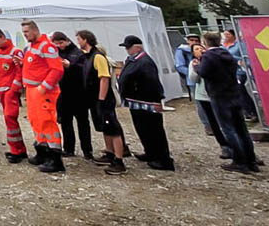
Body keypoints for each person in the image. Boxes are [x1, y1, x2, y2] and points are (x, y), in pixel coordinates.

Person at [199, 31, 261, 173]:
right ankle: (251, 159)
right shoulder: (227, 54)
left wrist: (197, 66)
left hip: (219, 95)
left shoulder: (208, 56)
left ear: (206, 42)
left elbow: (203, 72)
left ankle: (239, 161)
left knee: (228, 129)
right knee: (241, 129)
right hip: (233, 93)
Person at [118, 35, 175, 171]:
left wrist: (157, 100)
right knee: (142, 128)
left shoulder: (144, 61)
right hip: (135, 101)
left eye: (128, 47)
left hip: (147, 101)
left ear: (137, 47)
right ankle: (150, 152)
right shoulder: (133, 60)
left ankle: (163, 159)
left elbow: (152, 82)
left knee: (154, 130)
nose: (127, 50)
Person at [76, 31, 128, 174]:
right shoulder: (88, 56)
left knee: (113, 128)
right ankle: (109, 153)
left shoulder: (98, 56)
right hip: (94, 99)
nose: (78, 42)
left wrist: (101, 98)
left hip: (103, 99)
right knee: (104, 127)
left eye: (79, 39)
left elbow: (104, 78)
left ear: (86, 40)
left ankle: (119, 160)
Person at [21, 20, 65, 172]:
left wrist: (43, 87)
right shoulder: (33, 46)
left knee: (47, 122)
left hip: (43, 91)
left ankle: (55, 159)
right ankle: (42, 151)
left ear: (34, 30)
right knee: (36, 121)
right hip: (32, 90)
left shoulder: (47, 46)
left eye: (26, 32)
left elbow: (57, 70)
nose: (25, 35)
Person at [51, 31, 93, 160]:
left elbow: (84, 69)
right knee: (65, 122)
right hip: (63, 94)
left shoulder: (78, 53)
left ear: (67, 41)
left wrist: (70, 65)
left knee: (83, 123)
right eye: (57, 44)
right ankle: (69, 149)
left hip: (79, 94)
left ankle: (87, 150)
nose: (59, 46)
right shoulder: (56, 53)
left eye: (61, 43)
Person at [188, 40, 233, 160]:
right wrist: (195, 67)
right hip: (203, 96)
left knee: (226, 122)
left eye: (201, 48)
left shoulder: (212, 60)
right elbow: (193, 79)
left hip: (217, 94)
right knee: (213, 122)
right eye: (196, 49)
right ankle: (224, 146)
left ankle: (235, 146)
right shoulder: (194, 63)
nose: (200, 50)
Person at [0, 28, 27, 162]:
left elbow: (19, 72)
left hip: (10, 90)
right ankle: (19, 148)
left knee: (10, 118)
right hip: (1, 89)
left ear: (3, 37)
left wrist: (13, 89)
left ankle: (16, 150)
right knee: (9, 120)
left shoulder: (15, 52)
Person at [223, 28, 259, 122]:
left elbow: (245, 58)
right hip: (230, 72)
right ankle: (246, 111)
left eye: (228, 34)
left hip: (241, 72)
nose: (226, 36)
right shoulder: (224, 46)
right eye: (225, 34)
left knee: (242, 92)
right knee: (237, 93)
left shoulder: (239, 44)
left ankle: (252, 112)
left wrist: (230, 57)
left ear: (233, 35)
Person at [174, 33, 201, 101]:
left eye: (196, 40)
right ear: (187, 41)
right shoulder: (182, 50)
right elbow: (180, 66)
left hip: (204, 79)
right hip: (192, 80)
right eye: (191, 40)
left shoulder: (201, 49)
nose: (194, 42)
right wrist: (193, 73)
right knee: (199, 103)